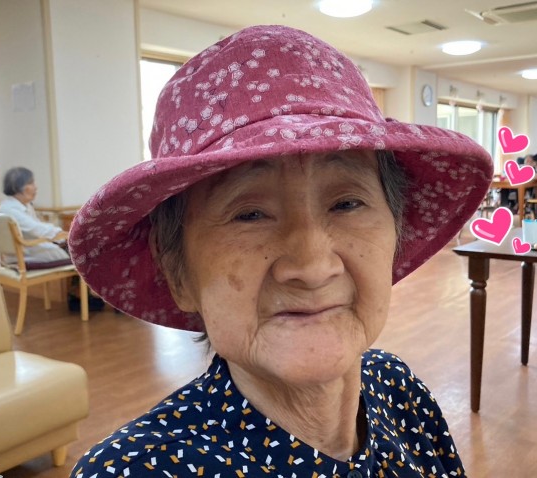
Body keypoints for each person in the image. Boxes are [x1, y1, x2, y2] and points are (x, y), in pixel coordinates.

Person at [68, 25, 492, 477]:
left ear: (395, 230)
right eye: (249, 214)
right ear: (177, 270)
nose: (312, 266)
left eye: (347, 203)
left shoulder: (398, 390)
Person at [0, 166, 71, 268]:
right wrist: (64, 235)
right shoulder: (10, 210)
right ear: (17, 187)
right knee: (76, 258)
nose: (35, 187)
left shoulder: (15, 206)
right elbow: (38, 229)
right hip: (24, 258)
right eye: (30, 183)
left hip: (25, 253)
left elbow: (38, 228)